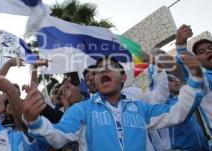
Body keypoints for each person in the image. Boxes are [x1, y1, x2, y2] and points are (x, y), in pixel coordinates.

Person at [22, 54, 204, 150]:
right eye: (99, 70)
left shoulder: (140, 109)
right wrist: (34, 121)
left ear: (123, 77)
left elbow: (178, 112)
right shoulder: (82, 110)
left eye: (109, 68)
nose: (102, 71)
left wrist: (195, 79)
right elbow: (58, 135)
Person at [175, 25, 212, 142]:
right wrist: (180, 46)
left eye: (211, 48)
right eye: (202, 52)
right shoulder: (204, 81)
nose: (208, 51)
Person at [156, 74, 209, 150]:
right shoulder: (161, 106)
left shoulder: (176, 101)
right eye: (170, 80)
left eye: (175, 79)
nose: (176, 81)